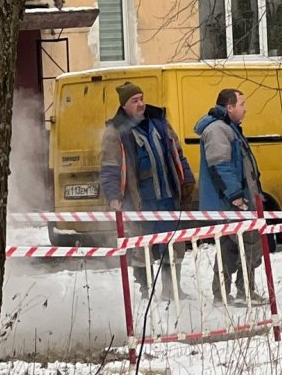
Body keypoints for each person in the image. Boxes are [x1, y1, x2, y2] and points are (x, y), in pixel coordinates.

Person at [100, 81, 195, 298]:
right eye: (135, 100)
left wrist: (187, 180)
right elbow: (110, 167)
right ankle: (146, 291)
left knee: (174, 244)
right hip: (139, 202)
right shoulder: (115, 132)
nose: (141, 104)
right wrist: (113, 195)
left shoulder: (160, 122)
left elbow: (178, 154)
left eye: (141, 98)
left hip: (168, 198)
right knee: (141, 248)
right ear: (124, 105)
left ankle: (172, 289)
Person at [194, 88, 265, 304]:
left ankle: (225, 293)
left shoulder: (228, 128)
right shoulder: (218, 129)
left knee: (231, 246)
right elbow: (221, 165)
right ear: (229, 107)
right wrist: (236, 196)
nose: (245, 109)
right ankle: (242, 292)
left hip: (234, 201)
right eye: (242, 104)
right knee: (247, 243)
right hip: (230, 202)